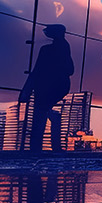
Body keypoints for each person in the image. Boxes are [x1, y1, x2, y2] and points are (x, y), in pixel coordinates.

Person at [20, 23, 74, 152]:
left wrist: (27, 90)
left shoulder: (47, 50)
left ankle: (37, 148)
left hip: (46, 87)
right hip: (58, 86)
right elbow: (70, 70)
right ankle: (54, 145)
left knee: (39, 116)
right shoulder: (65, 48)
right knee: (42, 113)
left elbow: (37, 70)